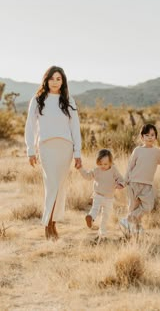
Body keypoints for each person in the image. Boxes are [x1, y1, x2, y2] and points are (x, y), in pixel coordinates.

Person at [25, 66, 82, 240]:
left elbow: (75, 127)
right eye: (52, 78)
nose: (55, 82)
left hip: (65, 147)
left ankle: (53, 224)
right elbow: (30, 126)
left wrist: (77, 152)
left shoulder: (69, 100)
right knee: (52, 186)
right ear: (46, 79)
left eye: (59, 79)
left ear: (63, 81)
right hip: (46, 147)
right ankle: (46, 224)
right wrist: (30, 150)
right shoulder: (37, 100)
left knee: (60, 187)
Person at [119, 123, 160, 237]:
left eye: (152, 135)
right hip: (134, 183)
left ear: (155, 137)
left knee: (148, 205)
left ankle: (128, 219)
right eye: (147, 135)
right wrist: (125, 180)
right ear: (142, 137)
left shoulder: (157, 152)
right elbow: (130, 166)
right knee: (134, 206)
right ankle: (135, 229)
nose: (150, 137)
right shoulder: (137, 150)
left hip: (147, 184)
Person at [78, 149, 125, 239]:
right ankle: (90, 218)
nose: (102, 166)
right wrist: (80, 168)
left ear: (110, 162)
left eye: (105, 164)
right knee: (95, 209)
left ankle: (102, 234)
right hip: (98, 195)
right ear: (97, 162)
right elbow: (87, 176)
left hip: (109, 198)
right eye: (100, 164)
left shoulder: (113, 170)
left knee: (105, 216)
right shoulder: (96, 170)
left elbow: (120, 178)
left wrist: (120, 184)